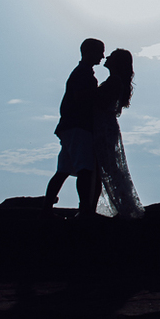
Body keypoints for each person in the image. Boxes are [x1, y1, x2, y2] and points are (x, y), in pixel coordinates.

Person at [45, 38, 104, 214]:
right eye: (99, 51)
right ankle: (85, 209)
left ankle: (46, 209)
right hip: (79, 126)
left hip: (71, 126)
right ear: (89, 52)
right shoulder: (83, 74)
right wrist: (99, 93)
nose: (102, 56)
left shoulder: (81, 72)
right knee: (85, 168)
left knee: (63, 169)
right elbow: (80, 97)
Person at [93, 48, 144, 219]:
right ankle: (124, 205)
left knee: (107, 168)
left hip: (104, 128)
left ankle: (124, 207)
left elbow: (99, 103)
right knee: (108, 168)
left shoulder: (114, 81)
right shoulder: (116, 81)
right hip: (107, 127)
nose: (106, 58)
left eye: (111, 57)